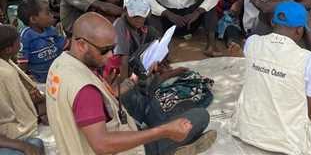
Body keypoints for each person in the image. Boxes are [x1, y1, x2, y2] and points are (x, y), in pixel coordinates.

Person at [46, 12, 216, 155]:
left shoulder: (61, 64)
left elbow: (102, 100)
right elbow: (102, 144)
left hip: (79, 145)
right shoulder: (85, 91)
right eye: (105, 50)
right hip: (120, 148)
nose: (111, 55)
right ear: (82, 44)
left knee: (155, 108)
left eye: (113, 48)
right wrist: (163, 131)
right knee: (199, 116)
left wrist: (136, 78)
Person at [230, 1, 311, 155]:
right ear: (299, 31)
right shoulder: (308, 59)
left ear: (273, 22)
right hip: (288, 143)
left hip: (247, 131)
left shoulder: (252, 42)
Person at [0, 25, 46, 155]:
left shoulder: (7, 61)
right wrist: (38, 105)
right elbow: (22, 109)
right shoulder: (6, 73)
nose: (20, 44)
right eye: (18, 42)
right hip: (11, 128)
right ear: (8, 49)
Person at [17, 0, 66, 83]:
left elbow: (63, 45)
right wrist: (26, 81)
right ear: (33, 19)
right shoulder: (25, 36)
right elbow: (22, 63)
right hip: (39, 79)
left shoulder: (51, 30)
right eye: (47, 13)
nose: (52, 15)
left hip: (57, 73)